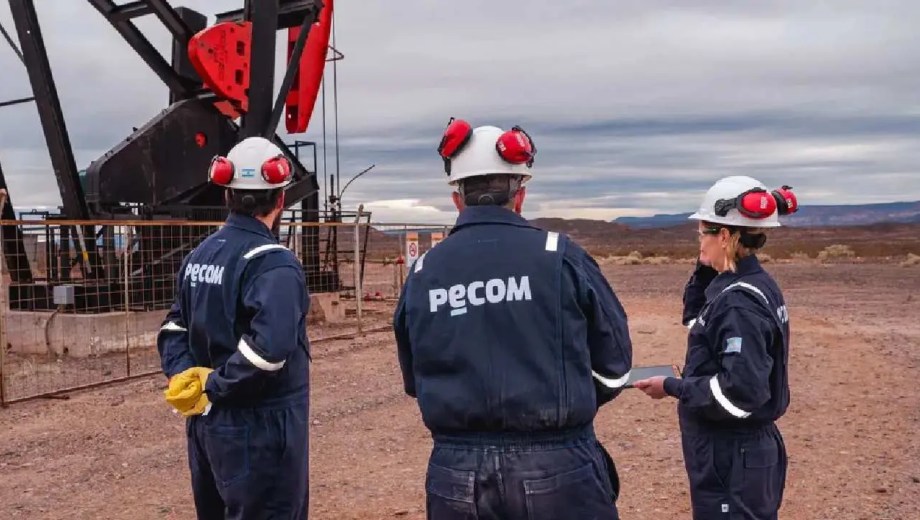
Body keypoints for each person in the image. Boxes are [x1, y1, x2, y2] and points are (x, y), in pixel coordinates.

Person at [393, 118, 633, 520]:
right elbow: (614, 368)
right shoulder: (561, 256)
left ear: (458, 199)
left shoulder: (423, 272)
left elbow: (416, 379)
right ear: (519, 195)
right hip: (558, 467)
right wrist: (562, 395)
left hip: (456, 477)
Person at [157, 136, 311, 519]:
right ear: (280, 199)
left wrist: (188, 378)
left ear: (226, 196)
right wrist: (215, 385)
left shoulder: (199, 256)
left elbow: (173, 329)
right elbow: (269, 349)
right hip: (260, 429)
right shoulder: (273, 264)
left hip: (207, 427)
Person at [633, 176, 799, 519]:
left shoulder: (738, 302)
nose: (699, 242)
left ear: (724, 236)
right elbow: (697, 320)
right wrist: (707, 263)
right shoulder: (747, 285)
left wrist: (673, 387)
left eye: (702, 233)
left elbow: (740, 394)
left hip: (733, 455)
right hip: (737, 453)